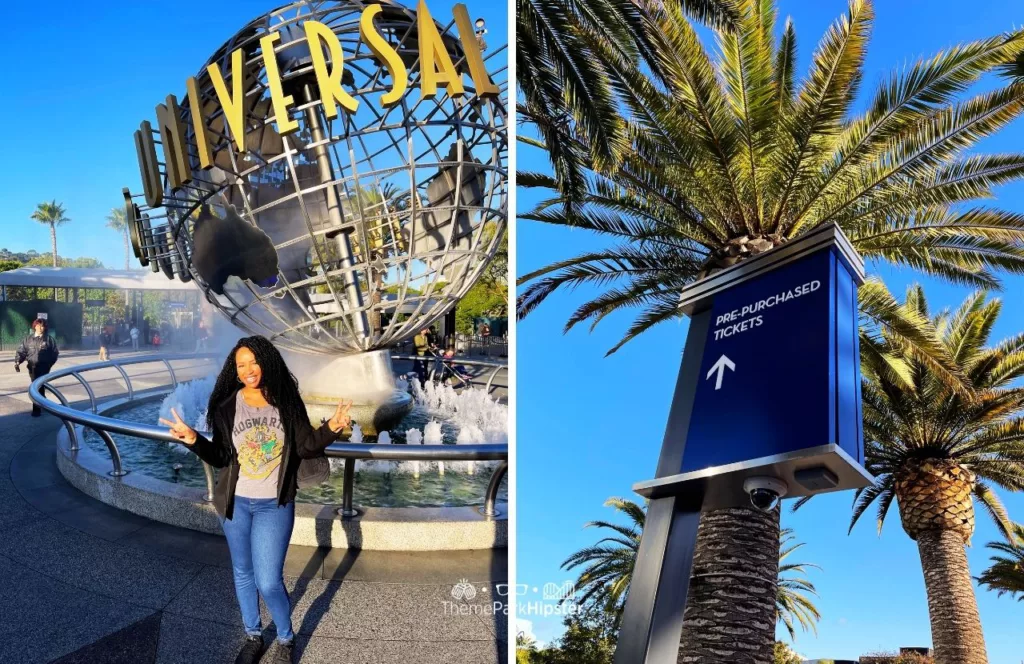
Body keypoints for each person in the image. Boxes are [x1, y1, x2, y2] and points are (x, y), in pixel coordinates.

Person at [161, 336, 351, 664]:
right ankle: (252, 635)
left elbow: (306, 446)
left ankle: (285, 637)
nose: (249, 370)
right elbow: (221, 456)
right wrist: (193, 439)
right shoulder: (226, 406)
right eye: (241, 365)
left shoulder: (287, 401)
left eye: (254, 362)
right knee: (243, 572)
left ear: (266, 361)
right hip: (234, 504)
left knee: (268, 579)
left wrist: (332, 427)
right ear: (234, 371)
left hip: (273, 504)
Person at [14, 319, 60, 417]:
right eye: (38, 326)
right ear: (34, 326)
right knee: (39, 386)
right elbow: (21, 351)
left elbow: (55, 353)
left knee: (36, 387)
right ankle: (44, 402)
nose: (40, 328)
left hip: (44, 367)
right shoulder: (28, 339)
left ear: (45, 327)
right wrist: (18, 361)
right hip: (32, 367)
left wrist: (49, 364)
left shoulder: (49, 339)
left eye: (42, 326)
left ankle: (36, 410)